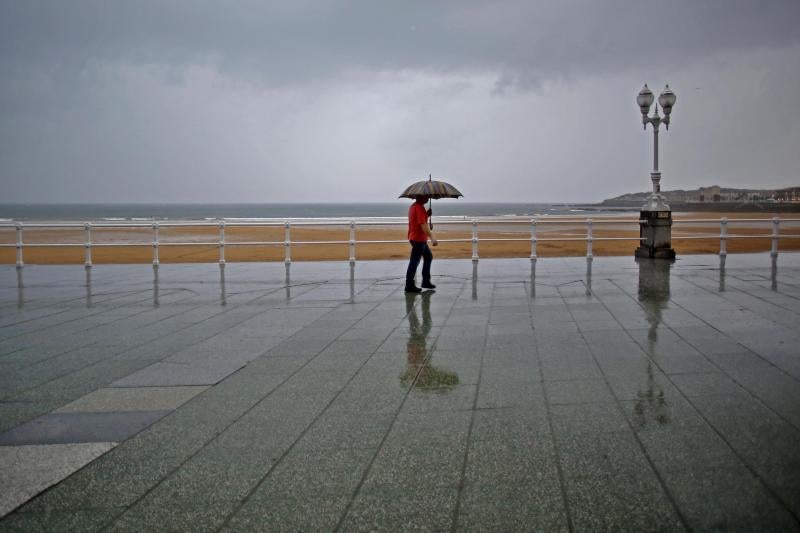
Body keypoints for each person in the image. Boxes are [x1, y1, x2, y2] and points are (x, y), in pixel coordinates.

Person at [405, 195, 438, 292]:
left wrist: (427, 215)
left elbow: (419, 221)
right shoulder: (419, 208)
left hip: (416, 238)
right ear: (420, 197)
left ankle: (425, 281)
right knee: (414, 261)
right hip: (418, 239)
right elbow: (423, 225)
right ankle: (409, 285)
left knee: (428, 257)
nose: (428, 197)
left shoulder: (414, 206)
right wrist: (432, 237)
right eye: (426, 196)